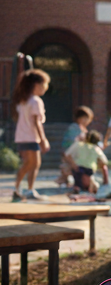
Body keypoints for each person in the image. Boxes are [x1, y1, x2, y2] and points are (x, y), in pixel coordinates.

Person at [12, 69, 51, 201]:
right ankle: (29, 190)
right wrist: (43, 139)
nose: (45, 88)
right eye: (44, 85)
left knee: (27, 164)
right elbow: (36, 122)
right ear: (36, 85)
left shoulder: (23, 100)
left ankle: (17, 188)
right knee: (35, 164)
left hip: (21, 136)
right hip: (31, 137)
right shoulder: (36, 101)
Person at [56, 106, 94, 189]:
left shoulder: (83, 129)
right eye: (86, 118)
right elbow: (72, 144)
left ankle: (68, 179)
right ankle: (65, 178)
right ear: (80, 118)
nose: (88, 121)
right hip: (70, 156)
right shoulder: (74, 128)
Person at [65, 130, 110, 195]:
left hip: (78, 169)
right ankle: (104, 184)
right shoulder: (96, 148)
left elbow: (67, 155)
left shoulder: (78, 144)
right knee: (102, 169)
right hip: (90, 170)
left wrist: (73, 165)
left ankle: (77, 186)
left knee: (75, 173)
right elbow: (105, 161)